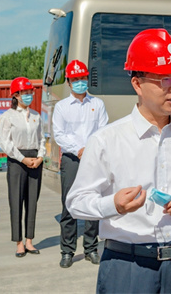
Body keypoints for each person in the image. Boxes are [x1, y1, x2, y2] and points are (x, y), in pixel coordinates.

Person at [66, 28, 171, 293]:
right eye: (164, 79)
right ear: (137, 83)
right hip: (128, 267)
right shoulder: (107, 140)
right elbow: (76, 203)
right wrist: (113, 205)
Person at [52, 60, 109, 268]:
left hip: (93, 159)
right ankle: (67, 251)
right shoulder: (61, 107)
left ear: (87, 79)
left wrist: (90, 149)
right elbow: (59, 134)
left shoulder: (97, 104)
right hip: (72, 159)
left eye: (82, 78)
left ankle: (91, 248)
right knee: (69, 204)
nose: (79, 82)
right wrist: (79, 149)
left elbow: (103, 129)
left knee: (93, 203)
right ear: (68, 82)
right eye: (75, 79)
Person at [0, 77, 45, 257]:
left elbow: (42, 138)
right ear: (16, 95)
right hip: (17, 161)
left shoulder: (36, 116)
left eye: (30, 92)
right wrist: (23, 159)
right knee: (16, 201)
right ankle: (18, 242)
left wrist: (40, 156)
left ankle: (29, 241)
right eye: (26, 93)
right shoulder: (7, 117)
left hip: (35, 160)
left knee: (32, 201)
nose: (29, 96)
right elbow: (5, 143)